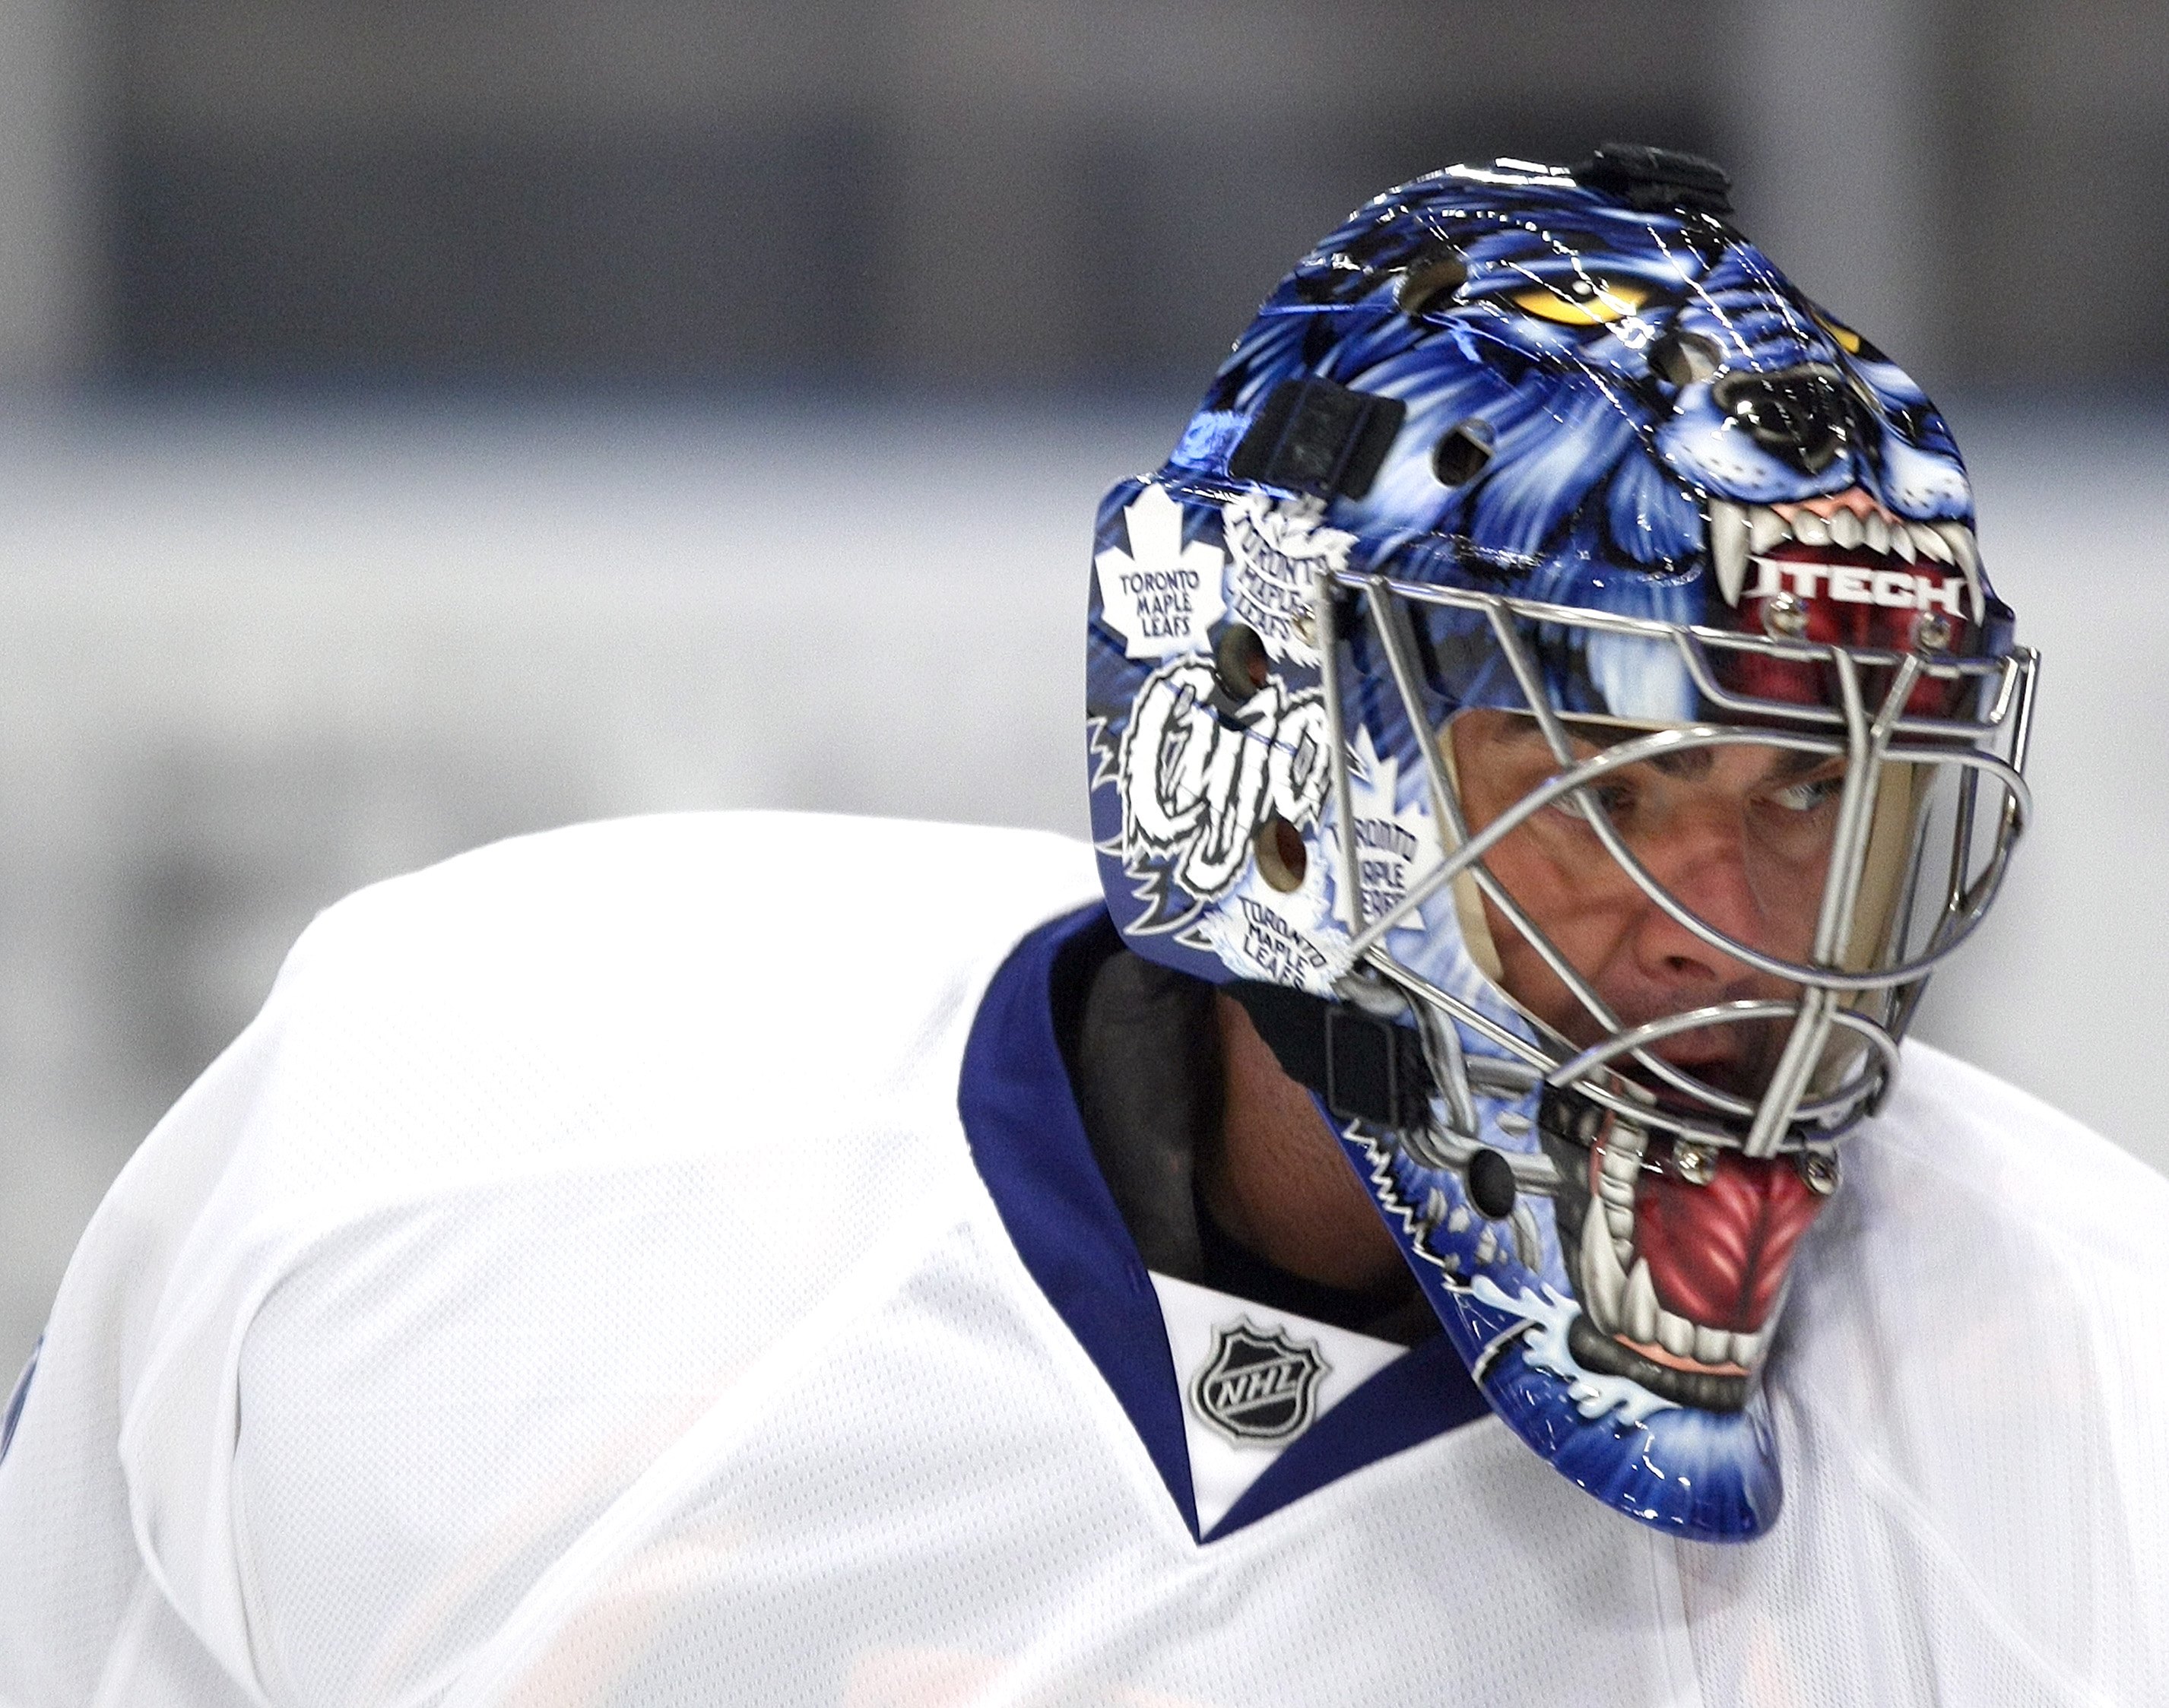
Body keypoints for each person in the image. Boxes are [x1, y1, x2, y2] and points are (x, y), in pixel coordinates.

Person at [2, 148, 2163, 1706]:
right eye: (1612, 789)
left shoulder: (2094, 1419)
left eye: (1815, 792)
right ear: (1277, 742)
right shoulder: (453, 1142)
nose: (1743, 942)